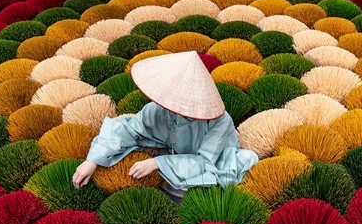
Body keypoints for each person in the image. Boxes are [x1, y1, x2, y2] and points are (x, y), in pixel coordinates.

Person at [71, 51, 259, 202]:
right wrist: (93, 161)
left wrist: (157, 163)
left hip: (208, 165)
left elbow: (204, 162)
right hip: (171, 157)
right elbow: (128, 129)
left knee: (196, 191)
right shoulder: (158, 109)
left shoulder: (219, 121)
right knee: (120, 160)